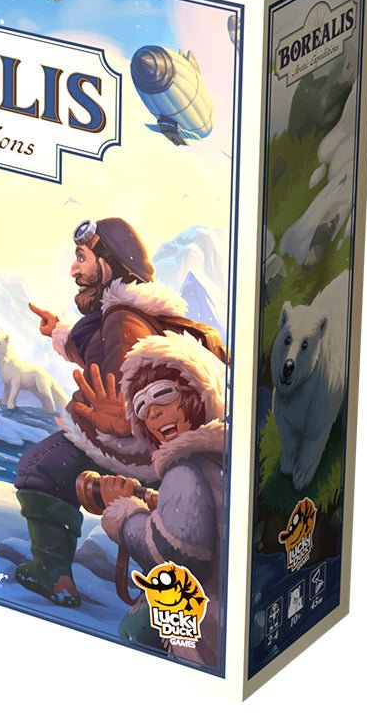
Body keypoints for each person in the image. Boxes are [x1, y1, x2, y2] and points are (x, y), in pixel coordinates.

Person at [14, 218, 225, 608]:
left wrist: (122, 419)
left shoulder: (122, 320)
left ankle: (53, 573)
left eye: (82, 258)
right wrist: (58, 331)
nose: (74, 269)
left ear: (108, 264)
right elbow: (97, 350)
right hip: (159, 448)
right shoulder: (132, 311)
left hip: (133, 447)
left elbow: (123, 380)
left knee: (40, 468)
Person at [78, 331, 226, 668]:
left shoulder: (185, 468)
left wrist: (126, 515)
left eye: (162, 394)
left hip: (204, 631)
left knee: (135, 632)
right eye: (142, 407)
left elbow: (176, 554)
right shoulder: (220, 457)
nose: (153, 413)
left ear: (197, 392)